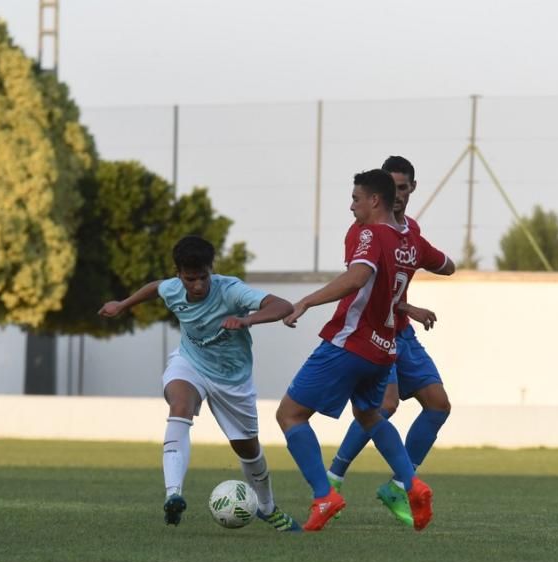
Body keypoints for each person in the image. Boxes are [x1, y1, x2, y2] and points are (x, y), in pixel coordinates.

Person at [277, 168, 454, 531]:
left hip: (350, 342)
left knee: (290, 414)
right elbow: (448, 265)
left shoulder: (370, 234)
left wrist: (306, 301)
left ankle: (325, 494)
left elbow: (356, 278)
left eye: (356, 198)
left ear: (374, 200)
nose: (351, 206)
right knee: (371, 415)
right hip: (384, 349)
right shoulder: (412, 241)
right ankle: (412, 483)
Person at [99, 235, 301, 532]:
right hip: (190, 363)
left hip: (232, 379)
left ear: (211, 269)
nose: (197, 285)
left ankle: (267, 508)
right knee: (180, 404)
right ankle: (173, 495)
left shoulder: (231, 291)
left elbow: (282, 305)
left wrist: (247, 320)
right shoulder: (173, 288)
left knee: (248, 450)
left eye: (202, 277)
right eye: (189, 279)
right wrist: (123, 304)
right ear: (179, 274)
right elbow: (156, 287)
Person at [327, 156, 456, 526]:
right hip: (375, 332)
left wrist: (445, 264)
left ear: (412, 188)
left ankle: (398, 485)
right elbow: (364, 283)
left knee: (438, 405)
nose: (396, 195)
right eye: (391, 188)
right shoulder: (363, 230)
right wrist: (408, 305)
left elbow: (440, 262)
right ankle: (334, 477)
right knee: (385, 403)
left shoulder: (411, 230)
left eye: (402, 188)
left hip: (403, 333)